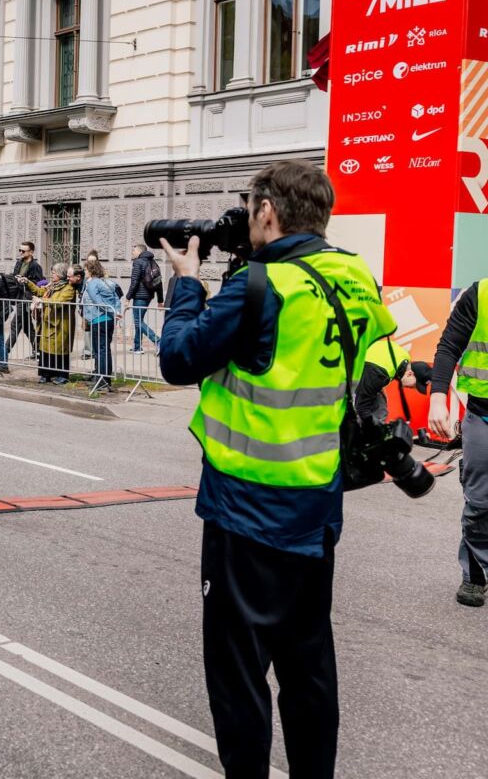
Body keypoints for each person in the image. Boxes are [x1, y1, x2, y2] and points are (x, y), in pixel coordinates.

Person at [157, 159, 394, 779]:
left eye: (249, 211)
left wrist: (188, 282)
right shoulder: (354, 275)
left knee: (238, 673)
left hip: (247, 511)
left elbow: (178, 359)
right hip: (316, 507)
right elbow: (375, 357)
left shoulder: (261, 285)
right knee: (307, 666)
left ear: (266, 211)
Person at [428, 277, 488, 608]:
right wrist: (437, 398)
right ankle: (475, 576)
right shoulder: (481, 294)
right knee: (479, 503)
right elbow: (450, 344)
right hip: (483, 415)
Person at [353, 336, 430, 430]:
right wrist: (373, 431)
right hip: (346, 373)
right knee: (363, 414)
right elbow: (361, 408)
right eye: (414, 385)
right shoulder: (379, 374)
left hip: (363, 363)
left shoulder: (403, 356)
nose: (413, 388)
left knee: (380, 404)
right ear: (410, 373)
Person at [21, 263, 76, 384]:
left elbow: (59, 302)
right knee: (45, 350)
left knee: (60, 350)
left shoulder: (68, 288)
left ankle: (62, 376)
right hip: (47, 323)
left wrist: (42, 300)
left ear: (60, 274)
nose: (51, 275)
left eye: (54, 273)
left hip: (60, 325)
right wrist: (28, 282)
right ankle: (46, 375)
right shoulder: (52, 286)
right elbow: (40, 291)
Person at [81, 257, 121, 395]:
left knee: (99, 351)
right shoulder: (108, 282)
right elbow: (116, 298)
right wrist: (116, 312)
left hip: (98, 319)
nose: (85, 272)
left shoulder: (92, 284)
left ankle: (101, 380)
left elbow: (97, 301)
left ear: (91, 271)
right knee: (105, 350)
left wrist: (112, 311)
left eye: (86, 270)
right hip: (108, 320)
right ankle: (106, 379)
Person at [6, 242, 44, 358]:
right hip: (19, 296)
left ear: (31, 252)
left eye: (23, 251)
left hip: (27, 298)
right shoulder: (19, 263)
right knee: (27, 327)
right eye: (20, 250)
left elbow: (38, 284)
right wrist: (15, 278)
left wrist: (26, 280)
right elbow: (14, 276)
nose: (21, 253)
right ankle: (38, 351)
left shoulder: (35, 266)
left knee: (15, 324)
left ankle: (5, 350)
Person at [127, 243, 165, 352]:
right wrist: (160, 300)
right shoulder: (153, 262)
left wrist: (128, 297)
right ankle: (137, 347)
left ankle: (157, 340)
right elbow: (159, 283)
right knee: (139, 321)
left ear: (139, 251)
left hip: (139, 296)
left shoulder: (138, 262)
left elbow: (134, 282)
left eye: (134, 250)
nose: (132, 252)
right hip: (148, 297)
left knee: (138, 321)